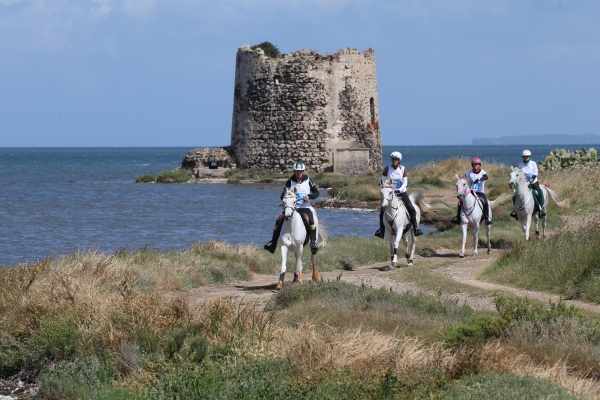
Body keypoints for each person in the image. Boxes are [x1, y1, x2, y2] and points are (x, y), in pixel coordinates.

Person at [264, 161, 320, 254]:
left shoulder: (308, 180)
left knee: (311, 220)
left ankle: (313, 243)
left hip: (305, 208)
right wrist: (287, 198)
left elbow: (317, 193)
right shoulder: (290, 182)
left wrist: (309, 196)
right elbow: (282, 196)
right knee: (279, 220)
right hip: (292, 209)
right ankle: (273, 244)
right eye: (297, 171)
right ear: (294, 171)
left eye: (301, 171)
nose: (299, 173)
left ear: (303, 171)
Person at [374, 151, 423, 238]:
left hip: (401, 192)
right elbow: (382, 179)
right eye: (393, 159)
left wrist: (399, 190)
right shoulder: (387, 168)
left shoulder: (402, 169)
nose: (394, 161)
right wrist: (383, 185)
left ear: (399, 160)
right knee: (382, 211)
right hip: (390, 193)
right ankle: (381, 230)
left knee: (411, 208)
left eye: (396, 159)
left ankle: (416, 228)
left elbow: (405, 182)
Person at [451, 157, 492, 225]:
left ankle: (487, 218)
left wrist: (479, 179)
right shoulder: (470, 172)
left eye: (476, 164)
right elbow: (464, 176)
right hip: (471, 192)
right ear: (472, 165)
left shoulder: (482, 172)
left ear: (479, 165)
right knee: (459, 203)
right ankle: (458, 219)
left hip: (480, 192)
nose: (475, 166)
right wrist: (460, 178)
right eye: (474, 164)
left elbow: (486, 177)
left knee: (485, 202)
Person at [511, 149, 546, 219]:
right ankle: (516, 211)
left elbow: (535, 173)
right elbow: (518, 174)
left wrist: (529, 181)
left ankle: (540, 209)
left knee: (539, 193)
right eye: (524, 156)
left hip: (533, 182)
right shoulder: (520, 164)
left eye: (527, 156)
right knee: (515, 196)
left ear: (529, 156)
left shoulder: (533, 163)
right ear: (522, 157)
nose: (526, 157)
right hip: (523, 184)